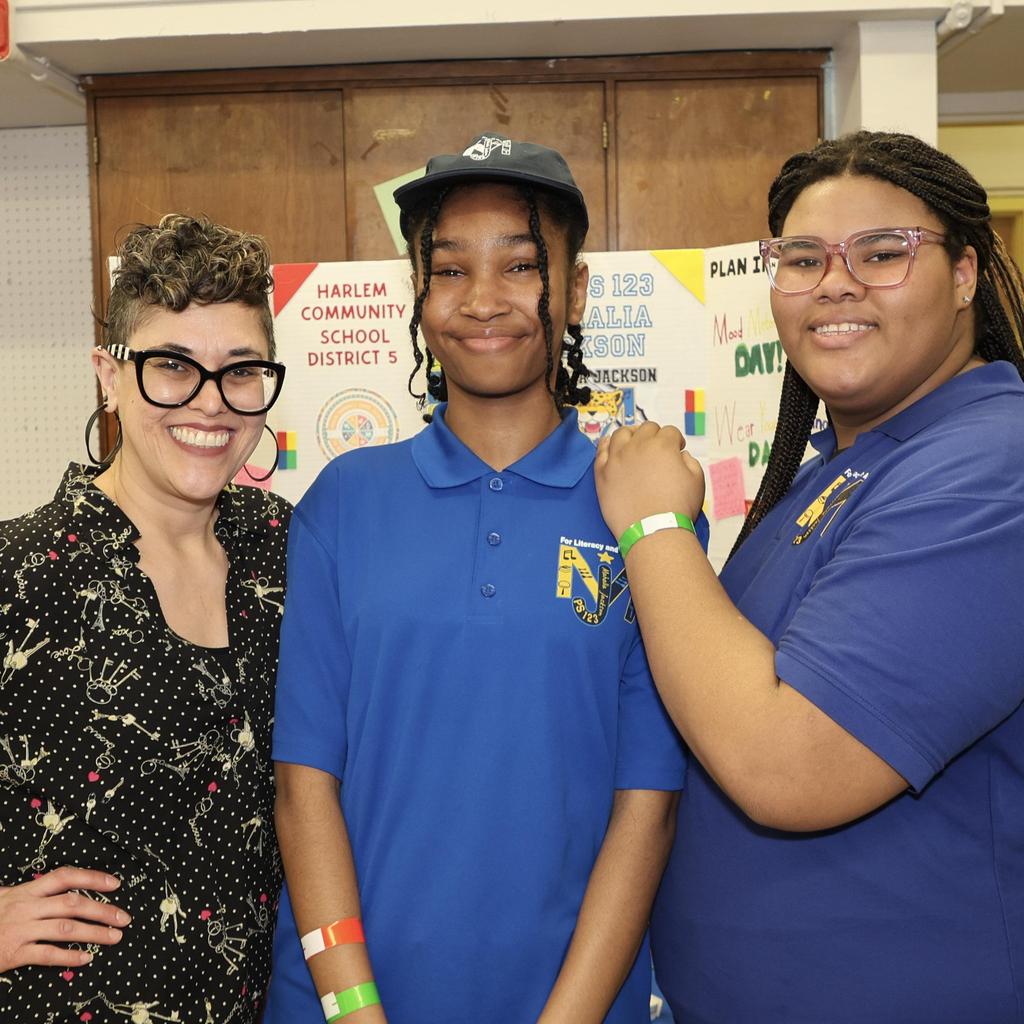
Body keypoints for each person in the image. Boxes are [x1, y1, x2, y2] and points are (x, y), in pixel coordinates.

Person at [594, 130, 1024, 1022]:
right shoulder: (840, 470)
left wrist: (653, 525)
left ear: (965, 275)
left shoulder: (995, 465)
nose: (835, 282)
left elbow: (786, 766)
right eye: (802, 258)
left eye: (882, 252)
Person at [265, 133, 695, 1024]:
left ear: (577, 290)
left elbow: (647, 807)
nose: (484, 300)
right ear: (418, 296)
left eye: (522, 265)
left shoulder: (642, 507)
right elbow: (305, 790)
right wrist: (353, 1009)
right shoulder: (344, 501)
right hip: (348, 1005)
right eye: (451, 270)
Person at [0, 214, 291, 1022]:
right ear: (110, 374)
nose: (211, 401)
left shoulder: (290, 552)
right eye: (172, 366)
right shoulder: (19, 573)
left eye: (240, 371)